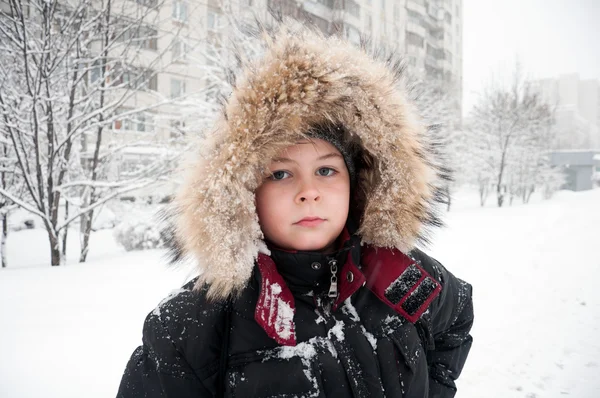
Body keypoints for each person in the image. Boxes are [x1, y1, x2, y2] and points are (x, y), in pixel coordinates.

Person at [117, 21, 473, 398]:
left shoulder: (401, 275)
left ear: (359, 183)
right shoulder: (194, 324)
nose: (309, 192)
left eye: (326, 170)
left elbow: (455, 320)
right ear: (245, 191)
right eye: (281, 173)